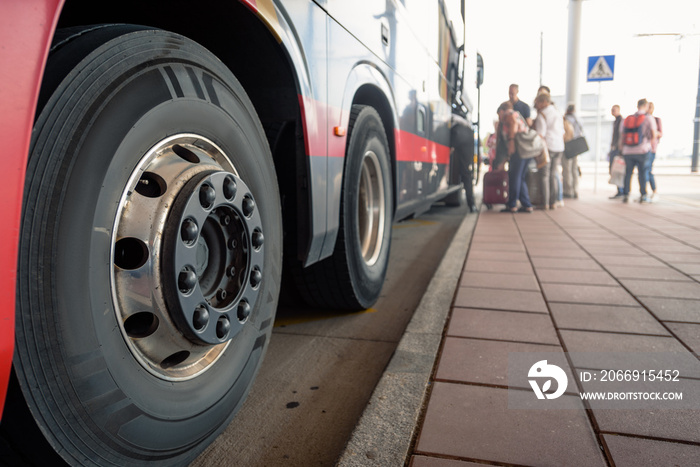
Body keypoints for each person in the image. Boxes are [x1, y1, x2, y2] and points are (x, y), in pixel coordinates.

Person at [495, 101, 532, 213]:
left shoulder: (509, 114)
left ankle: (512, 205)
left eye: (498, 115)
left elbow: (513, 125)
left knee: (514, 177)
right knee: (519, 177)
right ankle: (526, 204)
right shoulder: (516, 114)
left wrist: (511, 142)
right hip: (526, 150)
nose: (499, 118)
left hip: (519, 150)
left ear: (501, 111)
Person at [619, 98, 657, 203]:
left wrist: (622, 149)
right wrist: (651, 146)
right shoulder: (648, 118)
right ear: (646, 106)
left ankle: (626, 194)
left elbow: (622, 136)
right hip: (643, 150)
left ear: (637, 106)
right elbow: (654, 135)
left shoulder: (627, 118)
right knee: (642, 173)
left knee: (628, 173)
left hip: (627, 151)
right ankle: (643, 195)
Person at [533, 92, 565, 210]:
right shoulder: (558, 112)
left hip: (549, 146)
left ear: (544, 102)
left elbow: (541, 134)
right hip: (559, 146)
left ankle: (545, 203)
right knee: (553, 174)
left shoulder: (542, 114)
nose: (537, 105)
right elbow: (562, 131)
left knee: (545, 175)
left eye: (538, 103)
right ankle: (553, 202)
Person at [450, 113, 477, 212]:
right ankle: (472, 205)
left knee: (466, 173)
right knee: (467, 174)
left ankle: (472, 204)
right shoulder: (467, 126)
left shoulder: (452, 120)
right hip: (467, 136)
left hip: (458, 133)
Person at [562, 104, 584, 199]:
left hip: (567, 145)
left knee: (567, 169)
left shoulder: (565, 119)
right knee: (574, 168)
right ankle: (575, 190)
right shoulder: (578, 120)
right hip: (576, 146)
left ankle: (568, 191)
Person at [647, 102, 662, 201]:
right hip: (642, 149)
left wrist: (653, 132)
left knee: (648, 170)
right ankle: (645, 193)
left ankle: (654, 191)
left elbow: (660, 133)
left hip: (651, 149)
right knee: (643, 172)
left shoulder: (656, 120)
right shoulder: (643, 119)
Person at [608, 104, 624, 199]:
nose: (612, 112)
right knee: (614, 169)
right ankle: (619, 190)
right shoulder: (615, 121)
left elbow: (621, 135)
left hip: (618, 149)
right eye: (611, 110)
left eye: (614, 110)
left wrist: (620, 148)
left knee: (618, 170)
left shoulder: (621, 120)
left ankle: (621, 190)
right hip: (614, 148)